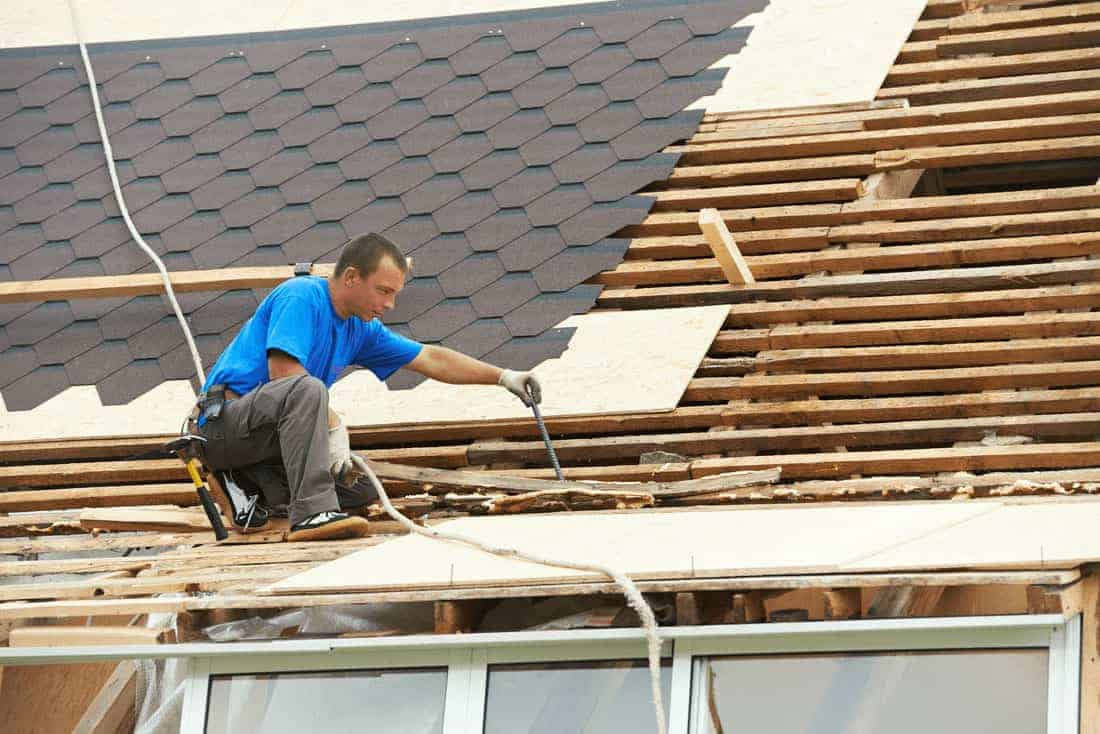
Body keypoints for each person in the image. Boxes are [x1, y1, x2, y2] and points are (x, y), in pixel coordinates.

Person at [189, 232, 541, 542]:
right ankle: (310, 516)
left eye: (394, 295)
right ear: (352, 277)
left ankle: (247, 487)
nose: (389, 304)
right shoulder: (302, 296)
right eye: (384, 291)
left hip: (263, 438)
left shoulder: (360, 329)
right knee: (308, 390)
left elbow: (430, 358)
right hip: (222, 427)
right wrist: (334, 427)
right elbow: (284, 373)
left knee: (358, 489)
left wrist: (503, 376)